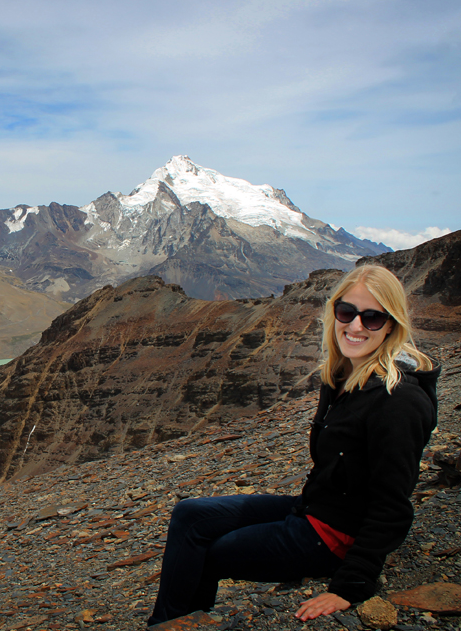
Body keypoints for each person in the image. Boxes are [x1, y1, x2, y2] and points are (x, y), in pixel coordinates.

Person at [148, 265, 440, 625]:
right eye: (347, 312)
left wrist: (350, 585)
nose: (356, 326)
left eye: (373, 318)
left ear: (392, 324)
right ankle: (170, 622)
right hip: (313, 510)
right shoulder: (346, 377)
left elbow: (393, 504)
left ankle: (176, 623)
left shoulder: (399, 400)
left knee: (211, 552)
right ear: (334, 312)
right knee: (190, 514)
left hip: (334, 537)